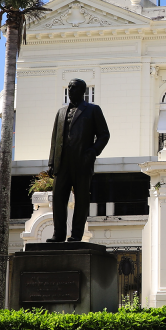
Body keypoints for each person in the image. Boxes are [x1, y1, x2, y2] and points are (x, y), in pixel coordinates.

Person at [46, 79, 110, 242]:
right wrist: (52, 162)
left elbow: (104, 135)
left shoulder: (93, 110)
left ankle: (76, 235)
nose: (70, 90)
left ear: (82, 91)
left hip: (82, 162)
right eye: (69, 87)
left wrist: (93, 152)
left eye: (74, 88)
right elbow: (55, 139)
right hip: (62, 163)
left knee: (81, 200)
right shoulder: (61, 112)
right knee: (58, 199)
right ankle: (58, 234)